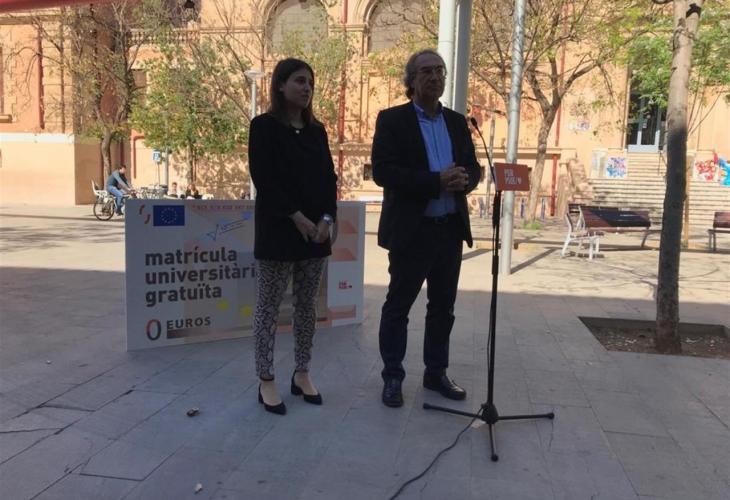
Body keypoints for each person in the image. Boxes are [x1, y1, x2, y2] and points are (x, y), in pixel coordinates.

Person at [372, 49, 481, 408]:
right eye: (427, 71)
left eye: (440, 71)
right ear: (412, 79)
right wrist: (435, 182)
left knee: (443, 308)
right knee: (398, 307)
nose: (435, 77)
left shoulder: (457, 121)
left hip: (449, 230)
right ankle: (393, 376)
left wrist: (465, 180)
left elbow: (473, 167)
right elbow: (383, 172)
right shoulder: (392, 120)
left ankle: (436, 373)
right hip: (412, 230)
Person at [249, 58, 338, 415]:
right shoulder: (264, 127)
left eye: (310, 83)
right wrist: (297, 217)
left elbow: (329, 179)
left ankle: (302, 373)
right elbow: (264, 179)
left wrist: (327, 219)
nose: (307, 88)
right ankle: (266, 379)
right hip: (278, 232)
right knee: (268, 309)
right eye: (300, 81)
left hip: (316, 235)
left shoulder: (317, 131)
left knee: (307, 307)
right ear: (280, 85)